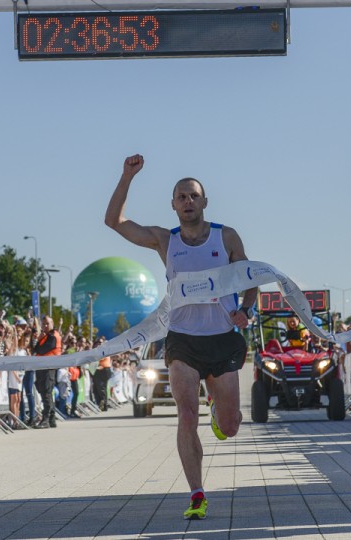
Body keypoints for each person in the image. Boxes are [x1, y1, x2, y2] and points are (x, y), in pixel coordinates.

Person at [105, 154, 257, 520]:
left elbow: (249, 280)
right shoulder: (164, 240)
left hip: (221, 338)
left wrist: (245, 311)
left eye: (193, 196)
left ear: (205, 202)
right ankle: (196, 493)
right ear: (173, 205)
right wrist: (127, 177)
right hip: (183, 340)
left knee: (231, 426)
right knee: (186, 415)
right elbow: (115, 222)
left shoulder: (227, 236)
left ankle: (218, 409)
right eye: (181, 197)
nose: (188, 202)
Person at [32, 316, 61, 428]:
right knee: (45, 393)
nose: (44, 326)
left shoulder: (52, 336)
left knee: (46, 393)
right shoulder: (47, 336)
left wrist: (39, 340)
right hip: (43, 367)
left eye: (47, 324)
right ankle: (52, 419)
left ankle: (46, 419)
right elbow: (36, 349)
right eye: (43, 324)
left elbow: (41, 349)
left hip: (48, 367)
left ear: (52, 323)